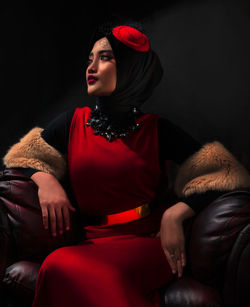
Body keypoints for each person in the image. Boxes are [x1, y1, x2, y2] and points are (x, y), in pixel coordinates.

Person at [3, 20, 250, 307]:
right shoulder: (73, 122)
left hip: (147, 244)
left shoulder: (157, 129)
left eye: (104, 57)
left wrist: (176, 214)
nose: (91, 67)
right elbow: (20, 158)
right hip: (91, 242)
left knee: (70, 268)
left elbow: (227, 172)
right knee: (59, 264)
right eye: (90, 59)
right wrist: (45, 180)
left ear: (130, 68)